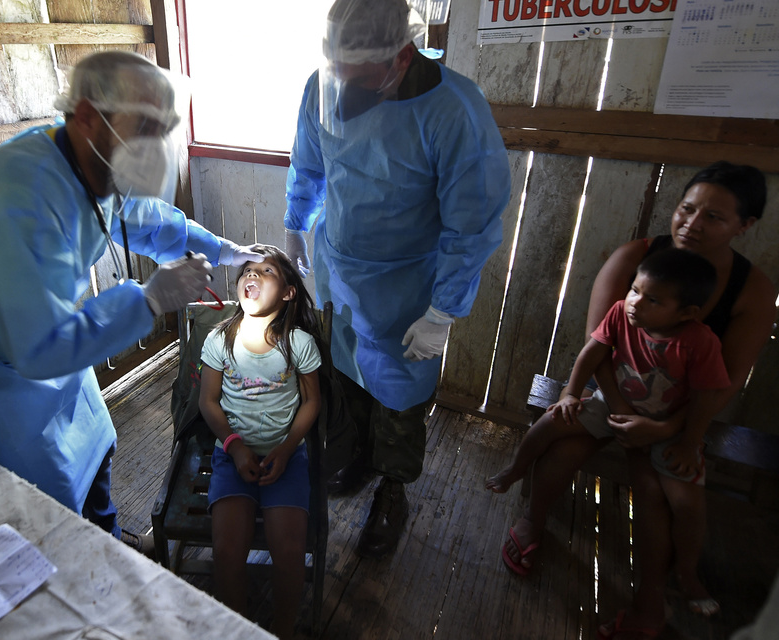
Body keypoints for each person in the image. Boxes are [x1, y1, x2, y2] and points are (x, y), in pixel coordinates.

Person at [0, 50, 263, 557]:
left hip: (46, 324)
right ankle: (78, 559)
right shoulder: (15, 196)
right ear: (88, 114)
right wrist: (150, 300)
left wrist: (222, 248)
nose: (156, 143)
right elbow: (38, 350)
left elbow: (149, 219)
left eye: (166, 127)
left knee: (94, 437)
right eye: (145, 124)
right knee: (41, 481)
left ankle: (109, 539)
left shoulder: (94, 162)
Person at [495, 161, 775, 639]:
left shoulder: (750, 289)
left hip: (679, 415)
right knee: (564, 445)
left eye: (714, 217)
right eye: (686, 209)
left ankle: (652, 597)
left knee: (652, 493)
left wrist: (667, 429)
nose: (692, 224)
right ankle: (532, 518)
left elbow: (725, 381)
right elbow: (598, 341)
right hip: (615, 393)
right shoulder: (637, 257)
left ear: (744, 226)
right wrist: (621, 410)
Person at [283, 0, 511, 558]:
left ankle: (394, 490)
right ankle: (354, 457)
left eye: (360, 80)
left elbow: (473, 225)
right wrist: (295, 225)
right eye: (338, 73)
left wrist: (443, 312)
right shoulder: (323, 84)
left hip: (409, 287)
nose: (345, 92)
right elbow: (309, 167)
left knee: (401, 397)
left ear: (402, 57)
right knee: (344, 374)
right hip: (341, 271)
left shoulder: (454, 111)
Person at [487, 249, 730, 588]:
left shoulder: (699, 343)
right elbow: (592, 353)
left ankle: (687, 573)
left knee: (687, 502)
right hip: (611, 403)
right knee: (551, 422)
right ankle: (515, 470)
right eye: (635, 290)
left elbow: (706, 398)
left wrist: (690, 442)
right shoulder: (620, 313)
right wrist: (571, 393)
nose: (635, 303)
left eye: (653, 301)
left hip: (669, 425)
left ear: (687, 313)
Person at [198, 245, 322, 639]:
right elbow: (208, 402)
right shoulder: (220, 339)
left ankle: (282, 630)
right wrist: (234, 447)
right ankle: (237, 628)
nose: (252, 274)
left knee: (289, 554)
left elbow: (312, 402)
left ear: (288, 292)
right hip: (231, 457)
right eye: (247, 269)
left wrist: (286, 450)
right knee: (227, 552)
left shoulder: (298, 343)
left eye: (266, 271)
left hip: (285, 460)